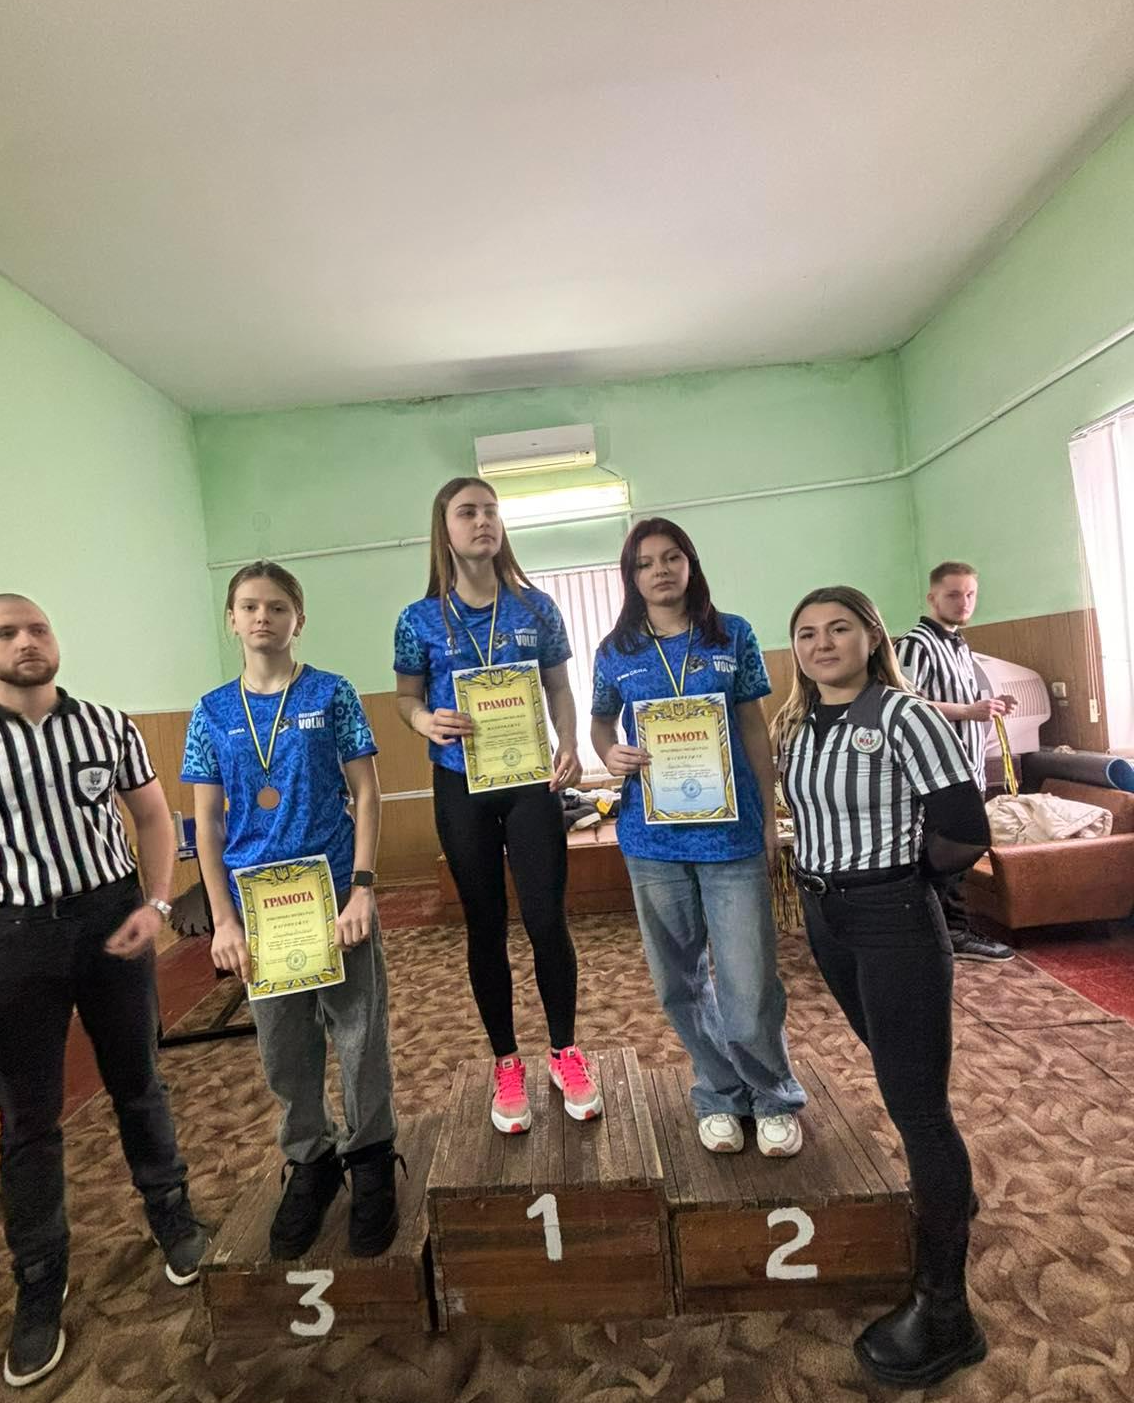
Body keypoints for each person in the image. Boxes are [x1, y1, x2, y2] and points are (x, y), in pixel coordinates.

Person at [0, 595, 206, 1389]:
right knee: (26, 1120)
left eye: (38, 628)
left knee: (140, 1083)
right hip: (10, 940)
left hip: (110, 921)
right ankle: (39, 1282)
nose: (27, 641)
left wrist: (157, 904)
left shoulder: (107, 726)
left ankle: (175, 1221)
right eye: (6, 633)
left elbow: (152, 818)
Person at [774, 584, 989, 1387]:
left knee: (918, 1109)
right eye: (806, 633)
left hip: (893, 916)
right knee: (898, 1069)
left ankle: (947, 1314)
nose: (821, 643)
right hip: (826, 917)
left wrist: (903, 881)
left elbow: (965, 830)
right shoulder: (799, 726)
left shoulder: (905, 716)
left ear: (871, 638)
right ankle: (948, 1200)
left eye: (839, 628)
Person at [181, 561, 399, 1262]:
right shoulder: (211, 712)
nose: (263, 618)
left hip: (334, 894)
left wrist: (363, 886)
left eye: (277, 607)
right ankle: (311, 1159)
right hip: (261, 909)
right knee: (283, 1047)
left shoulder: (332, 693)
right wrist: (223, 920)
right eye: (249, 606)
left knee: (359, 1034)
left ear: (297, 619)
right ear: (231, 619)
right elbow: (207, 826)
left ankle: (370, 1156)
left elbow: (367, 794)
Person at [591, 518, 805, 1158]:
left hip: (731, 836)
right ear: (631, 576)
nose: (660, 570)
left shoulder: (731, 634)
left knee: (749, 980)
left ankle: (773, 1095)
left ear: (690, 564)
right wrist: (610, 753)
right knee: (677, 982)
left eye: (671, 557)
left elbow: (754, 727)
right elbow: (601, 724)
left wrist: (768, 816)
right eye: (645, 562)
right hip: (652, 839)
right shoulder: (615, 650)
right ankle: (719, 1091)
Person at [394, 476, 601, 1135]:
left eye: (491, 511)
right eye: (467, 512)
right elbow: (405, 698)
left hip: (531, 782)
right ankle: (506, 1062)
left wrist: (569, 743)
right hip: (461, 784)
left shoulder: (536, 608)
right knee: (484, 926)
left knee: (546, 920)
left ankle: (565, 1051)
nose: (482, 521)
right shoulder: (419, 619)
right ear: (445, 528)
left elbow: (560, 686)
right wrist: (425, 721)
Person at [894, 562, 1016, 961]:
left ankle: (946, 932)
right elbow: (904, 702)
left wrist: (991, 705)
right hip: (937, 776)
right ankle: (951, 933)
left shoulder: (960, 645)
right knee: (949, 856)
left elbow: (962, 703)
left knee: (960, 855)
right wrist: (968, 711)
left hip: (969, 769)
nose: (964, 602)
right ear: (932, 598)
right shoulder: (915, 644)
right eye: (953, 594)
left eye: (970, 594)